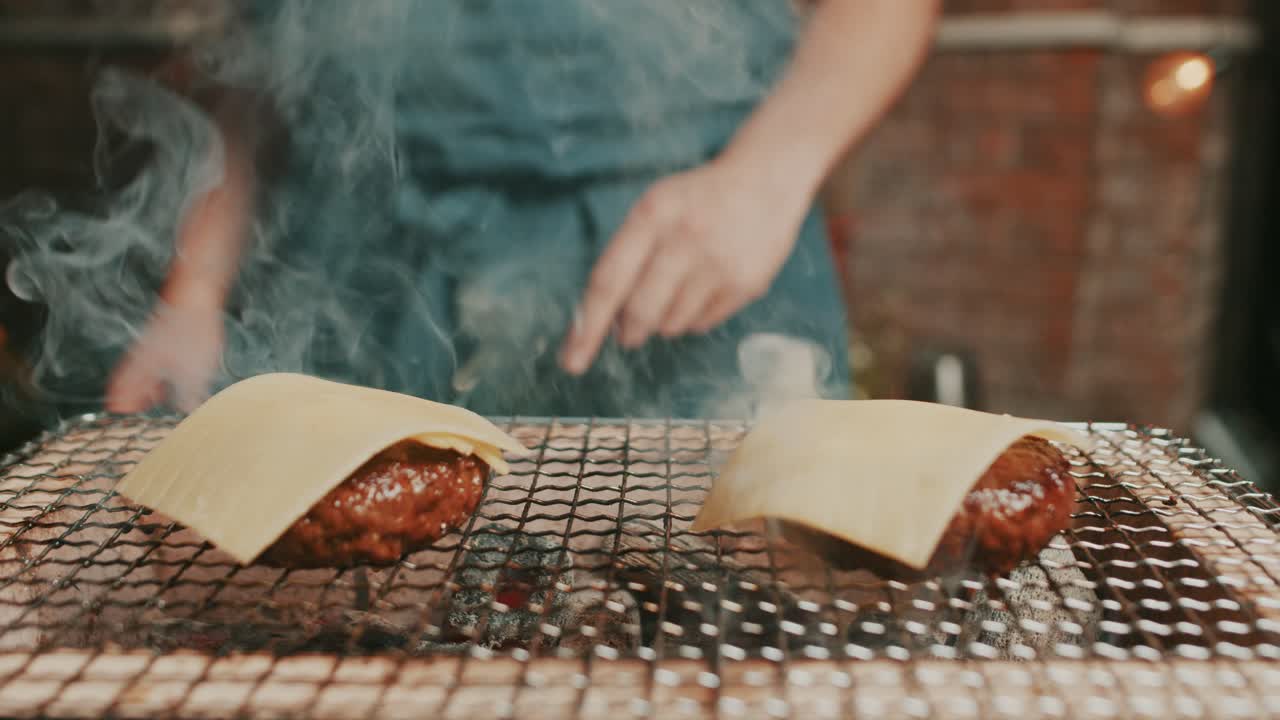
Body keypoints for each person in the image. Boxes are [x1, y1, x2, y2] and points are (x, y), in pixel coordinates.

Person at [105, 1, 939, 418]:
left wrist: (766, 175)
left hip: (677, 263)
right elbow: (260, 52)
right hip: (367, 274)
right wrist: (193, 291)